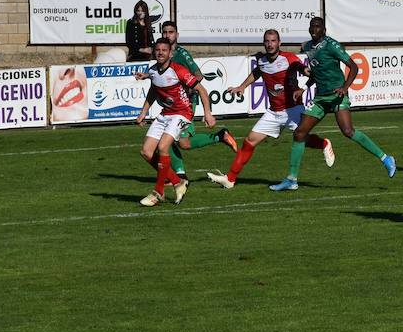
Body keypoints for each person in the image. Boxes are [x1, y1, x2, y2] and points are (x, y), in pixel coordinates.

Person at [271, 17, 397, 191]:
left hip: (337, 95)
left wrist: (345, 87)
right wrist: (304, 88)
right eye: (311, 26)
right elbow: (315, 72)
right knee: (300, 133)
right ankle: (292, 179)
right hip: (321, 97)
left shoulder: (332, 45)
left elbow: (353, 67)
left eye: (317, 26)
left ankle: (386, 158)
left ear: (323, 29)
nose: (314, 29)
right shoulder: (307, 47)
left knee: (348, 131)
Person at [207, 29, 335, 189]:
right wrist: (242, 87)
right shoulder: (261, 61)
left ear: (279, 43)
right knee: (249, 142)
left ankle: (323, 143)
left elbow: (300, 67)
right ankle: (230, 179)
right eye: (267, 41)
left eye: (273, 41)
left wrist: (306, 72)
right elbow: (256, 72)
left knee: (303, 138)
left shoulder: (288, 58)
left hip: (292, 109)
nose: (270, 44)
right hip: (273, 112)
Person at [133, 38, 216, 206]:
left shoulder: (178, 70)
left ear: (170, 53)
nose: (160, 53)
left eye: (164, 50)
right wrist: (143, 112)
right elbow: (153, 92)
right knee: (146, 152)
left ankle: (158, 193)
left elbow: (201, 89)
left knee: (163, 147)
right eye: (158, 50)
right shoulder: (153, 71)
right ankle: (178, 182)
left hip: (182, 113)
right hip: (166, 114)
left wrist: (208, 113)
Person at [157, 21, 238, 178]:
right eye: (165, 32)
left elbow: (199, 75)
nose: (167, 35)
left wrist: (186, 88)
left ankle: (180, 175)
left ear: (177, 35)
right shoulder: (162, 53)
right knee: (180, 142)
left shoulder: (182, 54)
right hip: (173, 104)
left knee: (176, 140)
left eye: (171, 32)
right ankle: (181, 174)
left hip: (186, 102)